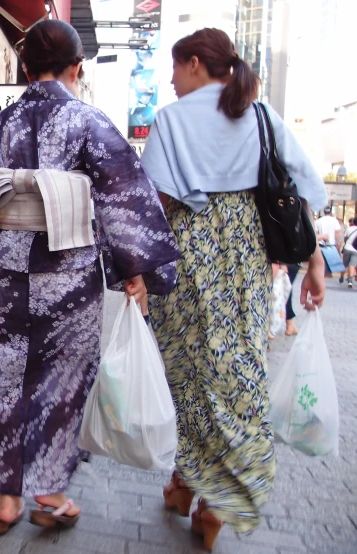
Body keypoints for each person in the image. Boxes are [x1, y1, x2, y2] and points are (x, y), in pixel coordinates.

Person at [0, 19, 180, 536]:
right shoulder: (89, 122)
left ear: (26, 67)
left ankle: (7, 502)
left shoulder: (0, 124)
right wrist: (137, 268)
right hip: (69, 277)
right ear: (77, 67)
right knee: (62, 383)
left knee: (4, 382)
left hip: (9, 273)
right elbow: (123, 195)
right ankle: (49, 496)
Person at [141, 28, 327, 550]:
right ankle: (210, 501)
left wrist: (135, 271)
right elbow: (298, 191)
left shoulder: (171, 120)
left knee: (186, 375)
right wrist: (313, 263)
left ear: (196, 63)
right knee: (236, 371)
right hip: (245, 263)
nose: (172, 81)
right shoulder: (262, 116)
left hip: (187, 262)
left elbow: (155, 203)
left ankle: (187, 483)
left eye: (176, 69)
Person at [341, 217, 357, 287]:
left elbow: (345, 238)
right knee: (352, 265)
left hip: (347, 248)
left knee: (344, 264)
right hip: (355, 250)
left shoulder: (349, 228)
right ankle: (350, 280)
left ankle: (341, 277)